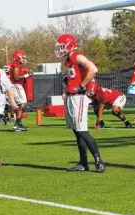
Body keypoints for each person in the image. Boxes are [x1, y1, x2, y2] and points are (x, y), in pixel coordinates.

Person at [55, 33, 105, 173]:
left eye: (62, 46)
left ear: (69, 45)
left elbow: (93, 69)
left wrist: (83, 85)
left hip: (79, 98)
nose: (60, 49)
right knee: (77, 132)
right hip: (72, 97)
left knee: (82, 131)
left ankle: (98, 161)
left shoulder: (77, 55)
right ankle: (83, 163)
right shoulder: (70, 59)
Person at [9, 50, 29, 131]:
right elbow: (16, 77)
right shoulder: (16, 65)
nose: (24, 58)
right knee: (22, 103)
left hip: (17, 85)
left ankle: (18, 122)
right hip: (16, 85)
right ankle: (17, 124)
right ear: (18, 56)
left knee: (22, 104)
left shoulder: (19, 65)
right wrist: (25, 75)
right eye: (22, 56)